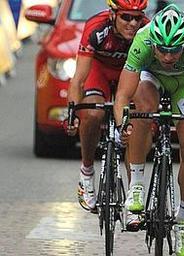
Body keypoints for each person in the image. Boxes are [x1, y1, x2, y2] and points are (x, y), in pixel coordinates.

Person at [113, 4, 184, 255]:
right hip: (151, 78)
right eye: (162, 50)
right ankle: (137, 184)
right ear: (154, 44)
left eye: (174, 50)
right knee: (141, 109)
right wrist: (122, 124)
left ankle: (183, 221)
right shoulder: (142, 39)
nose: (168, 57)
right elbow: (122, 95)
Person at [66, 0, 148, 213]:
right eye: (126, 17)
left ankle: (133, 193)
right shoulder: (96, 28)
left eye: (137, 18)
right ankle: (86, 172)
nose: (132, 23)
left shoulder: (147, 30)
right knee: (92, 113)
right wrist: (73, 112)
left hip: (129, 74)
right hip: (99, 71)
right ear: (113, 15)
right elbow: (79, 79)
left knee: (138, 119)